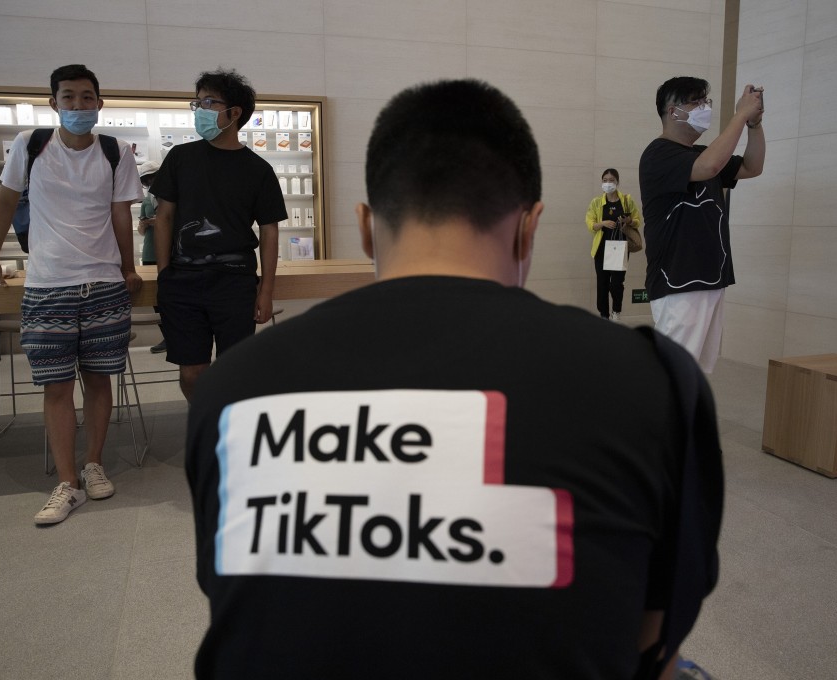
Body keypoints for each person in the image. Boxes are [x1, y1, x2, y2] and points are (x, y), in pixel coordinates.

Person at [185, 79, 723, 679]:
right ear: (530, 226)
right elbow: (653, 646)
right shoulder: (649, 382)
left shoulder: (230, 387)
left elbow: (239, 606)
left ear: (366, 228)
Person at [0, 64, 144, 525]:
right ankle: (66, 482)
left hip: (103, 282)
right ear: (54, 102)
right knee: (56, 386)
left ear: (99, 102)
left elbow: (119, 216)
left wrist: (128, 268)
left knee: (98, 378)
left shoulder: (115, 152)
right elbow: (6, 203)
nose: (78, 105)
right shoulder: (30, 145)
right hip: (47, 282)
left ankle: (94, 464)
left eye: (86, 97)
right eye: (68, 97)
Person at [151, 69, 287, 402]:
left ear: (234, 112)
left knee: (235, 369)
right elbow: (164, 216)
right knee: (191, 372)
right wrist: (164, 274)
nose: (200, 110)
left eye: (209, 102)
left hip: (235, 282)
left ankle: (230, 435)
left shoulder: (258, 170)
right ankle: (206, 427)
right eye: (196, 103)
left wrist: (265, 290)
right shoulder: (181, 158)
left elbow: (269, 231)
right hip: (182, 281)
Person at [639, 76, 765, 372]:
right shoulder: (658, 153)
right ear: (673, 112)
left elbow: (752, 167)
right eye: (696, 102)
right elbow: (710, 167)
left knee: (694, 371)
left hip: (710, 278)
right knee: (671, 372)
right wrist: (739, 115)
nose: (704, 108)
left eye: (706, 101)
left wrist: (754, 125)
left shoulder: (701, 152)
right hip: (679, 280)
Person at [585, 168, 642, 321]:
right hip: (601, 249)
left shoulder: (626, 200)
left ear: (617, 182)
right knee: (602, 283)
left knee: (617, 284)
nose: (608, 183)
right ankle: (603, 315)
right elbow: (590, 224)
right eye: (605, 180)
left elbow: (638, 220)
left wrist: (628, 221)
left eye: (611, 180)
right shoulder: (597, 202)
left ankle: (616, 311)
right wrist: (602, 223)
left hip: (620, 248)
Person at [136, 161, 167, 354]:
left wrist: (159, 221)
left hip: (169, 252)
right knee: (156, 299)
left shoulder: (172, 195)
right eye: (147, 180)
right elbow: (140, 229)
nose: (151, 183)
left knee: (172, 296)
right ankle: (167, 336)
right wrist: (145, 224)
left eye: (153, 178)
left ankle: (177, 335)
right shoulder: (147, 200)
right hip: (150, 251)